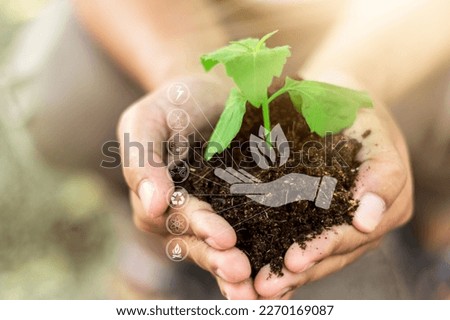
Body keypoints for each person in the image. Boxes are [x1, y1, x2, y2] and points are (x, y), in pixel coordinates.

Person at [10, 0, 449, 299]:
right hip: (203, 19)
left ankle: (438, 234)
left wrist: (347, 76)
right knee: (66, 94)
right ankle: (157, 249)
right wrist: (180, 72)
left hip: (394, 26)